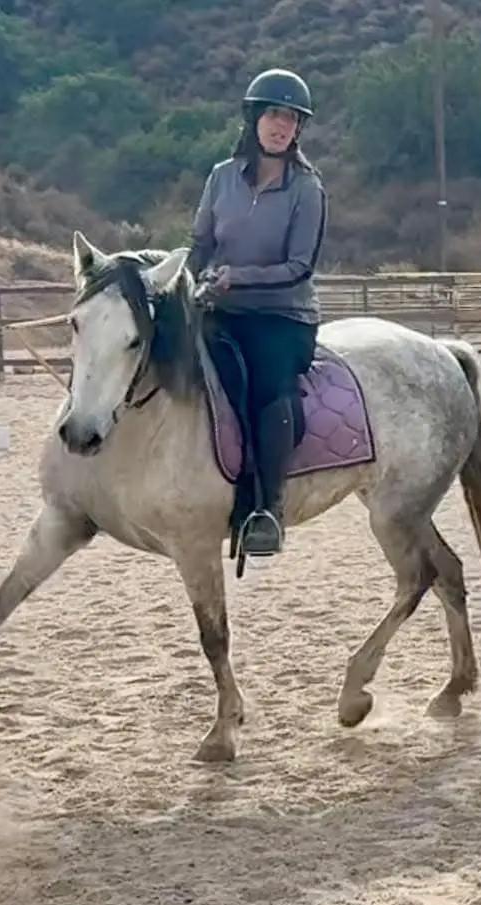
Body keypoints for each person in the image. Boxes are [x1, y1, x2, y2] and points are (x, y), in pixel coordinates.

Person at [188, 67, 328, 558]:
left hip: (282, 317)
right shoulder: (220, 178)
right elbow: (200, 243)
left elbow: (299, 267)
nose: (280, 125)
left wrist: (236, 277)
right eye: (272, 114)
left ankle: (268, 510)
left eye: (290, 119)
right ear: (253, 119)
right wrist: (185, 280)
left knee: (270, 388)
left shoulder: (307, 189)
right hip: (222, 307)